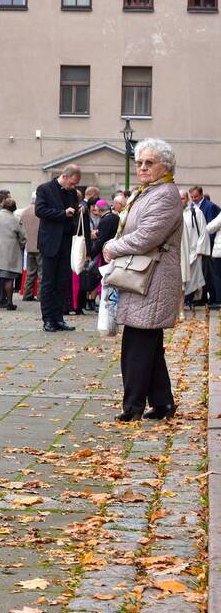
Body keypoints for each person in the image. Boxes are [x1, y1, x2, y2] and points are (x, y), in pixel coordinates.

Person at [102, 139, 182, 421]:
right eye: (139, 163)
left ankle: (132, 408)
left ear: (165, 166)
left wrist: (113, 247)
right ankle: (162, 403)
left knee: (137, 345)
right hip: (144, 276)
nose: (143, 167)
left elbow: (149, 235)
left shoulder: (165, 194)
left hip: (153, 279)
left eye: (150, 162)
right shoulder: (150, 192)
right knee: (149, 344)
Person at [35, 164, 81, 332]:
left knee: (62, 282)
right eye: (72, 183)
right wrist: (62, 213)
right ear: (64, 176)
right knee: (48, 283)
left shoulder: (71, 193)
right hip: (50, 242)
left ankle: (59, 318)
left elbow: (73, 215)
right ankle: (47, 319)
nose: (73, 187)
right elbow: (40, 211)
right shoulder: (44, 189)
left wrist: (77, 212)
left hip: (66, 241)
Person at [0, 198, 26, 310]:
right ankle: (9, 303)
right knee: (9, 279)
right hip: (9, 252)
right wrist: (20, 246)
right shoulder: (16, 219)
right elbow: (23, 237)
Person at [179, 189, 208, 308]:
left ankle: (188, 301)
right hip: (179, 252)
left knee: (192, 279)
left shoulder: (196, 212)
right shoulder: (173, 213)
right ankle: (180, 305)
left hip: (192, 252)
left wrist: (199, 250)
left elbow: (203, 232)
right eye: (178, 198)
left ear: (187, 199)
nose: (180, 201)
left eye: (183, 198)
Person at [189, 186, 219, 305]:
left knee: (208, 274)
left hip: (207, 247)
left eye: (195, 196)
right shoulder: (192, 207)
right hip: (195, 246)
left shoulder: (209, 206)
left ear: (201, 194)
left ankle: (210, 299)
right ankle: (200, 298)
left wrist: (208, 247)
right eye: (191, 197)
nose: (194, 199)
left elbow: (210, 229)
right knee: (199, 273)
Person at [20, 193, 41, 301]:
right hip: (40, 245)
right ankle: (40, 295)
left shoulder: (24, 212)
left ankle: (27, 294)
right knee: (41, 273)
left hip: (29, 245)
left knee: (30, 272)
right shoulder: (41, 211)